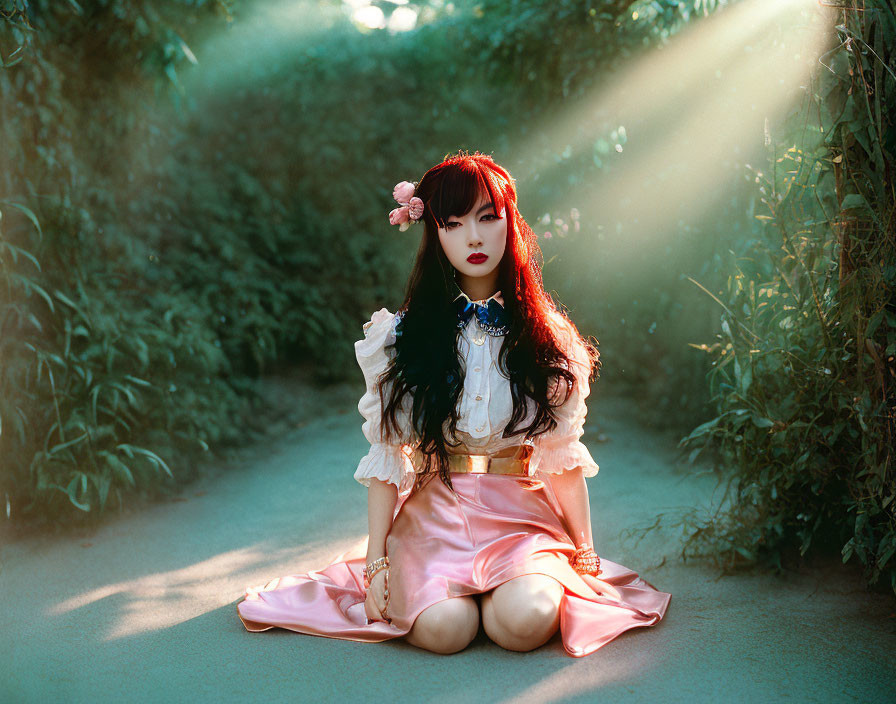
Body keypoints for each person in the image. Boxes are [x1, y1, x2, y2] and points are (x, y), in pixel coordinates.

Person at [236, 150, 671, 657]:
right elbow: (389, 457)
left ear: (510, 223)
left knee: (523, 624)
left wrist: (586, 551)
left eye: (488, 218)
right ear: (435, 234)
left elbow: (562, 454)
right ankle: (456, 595)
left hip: (520, 516)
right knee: (445, 630)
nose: (474, 237)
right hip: (434, 511)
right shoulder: (401, 337)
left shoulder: (546, 336)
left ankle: (508, 592)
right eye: (455, 223)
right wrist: (376, 562)